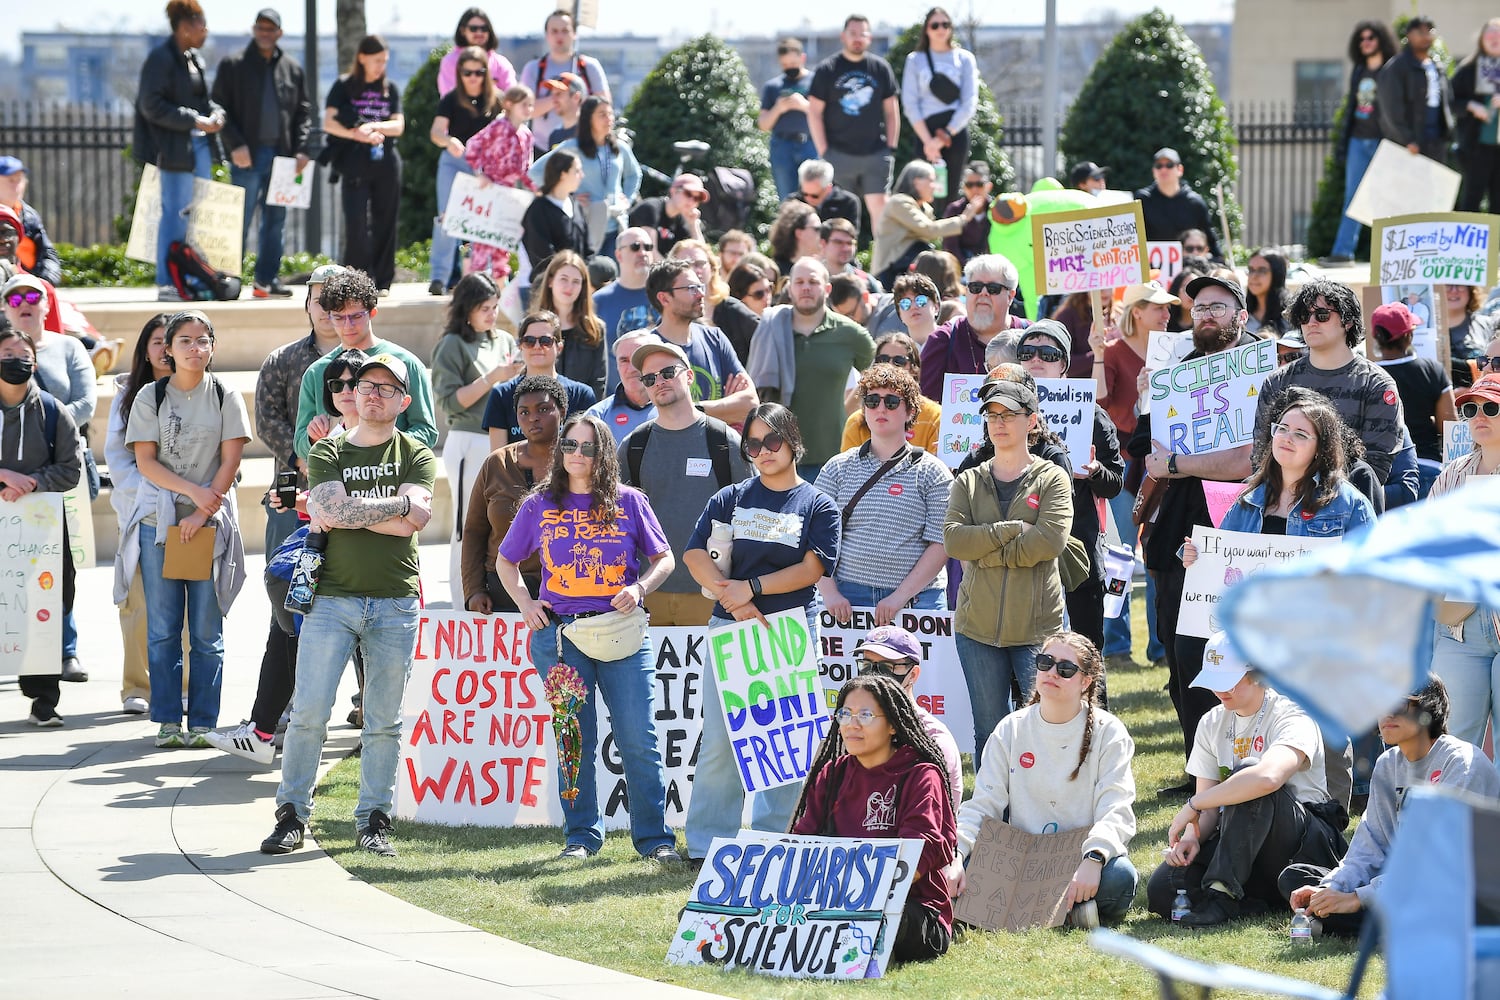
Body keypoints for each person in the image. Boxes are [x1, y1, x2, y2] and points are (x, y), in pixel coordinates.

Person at [260, 353, 436, 857]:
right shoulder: (328, 450)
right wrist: (397, 506)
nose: (372, 393)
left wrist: (351, 512)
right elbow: (335, 509)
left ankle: (374, 820)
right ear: (352, 396)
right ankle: (291, 814)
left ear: (404, 402)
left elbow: (413, 521)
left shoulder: (415, 454)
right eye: (364, 386)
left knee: (384, 720)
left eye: (385, 387)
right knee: (311, 712)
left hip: (395, 602)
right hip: (331, 600)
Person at [497, 412, 679, 863]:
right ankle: (580, 837)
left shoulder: (630, 501)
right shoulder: (539, 504)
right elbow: (506, 562)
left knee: (639, 738)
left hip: (623, 638)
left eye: (590, 448)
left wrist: (639, 588)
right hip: (560, 640)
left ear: (605, 455)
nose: (579, 455)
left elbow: (664, 558)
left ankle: (655, 841)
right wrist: (526, 603)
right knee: (572, 737)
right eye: (571, 446)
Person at [682, 403, 840, 861]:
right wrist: (732, 598)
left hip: (789, 629)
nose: (763, 451)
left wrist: (749, 589)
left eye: (773, 441)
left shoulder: (817, 503)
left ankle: (778, 840)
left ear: (793, 441)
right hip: (730, 630)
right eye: (753, 444)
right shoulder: (730, 497)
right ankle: (708, 845)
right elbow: (694, 555)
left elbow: (812, 568)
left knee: (788, 742)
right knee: (720, 739)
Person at [207, 348, 371, 764]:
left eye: (356, 383)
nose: (347, 391)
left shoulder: (375, 438)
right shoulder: (330, 439)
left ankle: (290, 733)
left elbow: (361, 504)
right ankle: (265, 730)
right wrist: (298, 501)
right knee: (285, 630)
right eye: (338, 384)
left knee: (342, 644)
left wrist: (312, 503)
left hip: (361, 563)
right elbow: (329, 503)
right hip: (325, 555)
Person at [1129, 275, 1260, 778]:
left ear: (1241, 316)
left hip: (1237, 531)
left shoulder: (1260, 371)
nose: (1206, 315)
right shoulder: (1179, 371)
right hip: (1174, 535)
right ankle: (1197, 768)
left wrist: (1183, 463)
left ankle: (1245, 764)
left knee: (1236, 653)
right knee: (1181, 656)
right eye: (1200, 307)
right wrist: (1147, 399)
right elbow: (1146, 446)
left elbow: (1251, 460)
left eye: (1219, 307)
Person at [1147, 632, 1347, 928]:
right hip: (1239, 840)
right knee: (1164, 889)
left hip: (1302, 843)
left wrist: (1194, 803)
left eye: (1227, 680)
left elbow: (1268, 777)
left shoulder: (1294, 716)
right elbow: (1211, 812)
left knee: (1250, 775)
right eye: (1213, 680)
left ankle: (1222, 895)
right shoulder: (1211, 722)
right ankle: (1258, 898)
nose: (1218, 690)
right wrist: (1192, 837)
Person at [942, 631, 1138, 927]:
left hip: (1077, 856)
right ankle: (1071, 911)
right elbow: (983, 804)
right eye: (1045, 662)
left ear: (1085, 681)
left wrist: (1095, 859)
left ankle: (1021, 905)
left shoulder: (1109, 731)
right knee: (956, 868)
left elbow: (1116, 808)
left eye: (1066, 669)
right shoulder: (1011, 728)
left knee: (1121, 876)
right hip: (1019, 860)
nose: (1052, 673)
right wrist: (956, 854)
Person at [1280, 676, 1500, 937]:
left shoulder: (1461, 763)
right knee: (1295, 876)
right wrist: (1332, 889)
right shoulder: (1387, 764)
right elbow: (1370, 845)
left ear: (1429, 709)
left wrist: (1357, 899)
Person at [123, 310, 250, 749]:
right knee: (161, 628)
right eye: (185, 341)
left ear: (212, 347)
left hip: (208, 527)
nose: (195, 348)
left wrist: (202, 510)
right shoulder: (150, 396)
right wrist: (192, 497)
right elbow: (145, 461)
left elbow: (230, 461)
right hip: (160, 524)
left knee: (205, 632)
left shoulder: (225, 394)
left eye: (203, 340)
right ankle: (167, 722)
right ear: (168, 350)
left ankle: (202, 723)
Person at [943, 366, 1072, 760]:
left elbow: (1049, 542)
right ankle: (992, 817)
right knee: (989, 732)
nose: (998, 423)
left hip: (1037, 629)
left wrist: (985, 551)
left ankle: (1039, 815)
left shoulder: (1052, 478)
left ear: (1031, 421)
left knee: (1044, 727)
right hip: (976, 629)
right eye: (992, 415)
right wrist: (1007, 532)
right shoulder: (968, 480)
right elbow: (953, 540)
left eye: (1009, 414)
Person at [791, 674, 957, 961]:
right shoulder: (833, 774)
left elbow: (919, 854)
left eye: (865, 715)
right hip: (834, 901)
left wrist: (861, 898)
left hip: (910, 908)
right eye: (845, 714)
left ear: (893, 724)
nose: (852, 724)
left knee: (886, 920)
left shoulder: (921, 774)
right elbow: (802, 841)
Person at [617, 339, 749, 626]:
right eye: (650, 378)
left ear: (689, 376)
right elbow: (616, 520)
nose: (659, 382)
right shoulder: (633, 445)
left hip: (713, 591)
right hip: (646, 591)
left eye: (668, 372)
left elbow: (749, 515)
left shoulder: (724, 441)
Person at [5, 274, 94, 683]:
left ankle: (65, 651)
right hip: (9, 491)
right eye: (14, 296)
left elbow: (85, 403)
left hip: (59, 474)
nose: (24, 302)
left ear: (46, 303)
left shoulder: (68, 347)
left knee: (59, 569)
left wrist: (47, 422)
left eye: (32, 295)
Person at [1016, 321, 1123, 653]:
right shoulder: (1003, 413)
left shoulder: (1091, 413)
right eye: (1027, 352)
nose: (1036, 359)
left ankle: (1092, 706)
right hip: (1020, 549)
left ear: (1063, 365)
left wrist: (1093, 471)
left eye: (1047, 353)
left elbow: (1115, 482)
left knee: (1084, 647)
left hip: (1079, 548)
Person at [816, 362, 952, 623]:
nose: (880, 408)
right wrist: (829, 593)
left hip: (916, 600)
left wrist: (899, 597)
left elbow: (941, 543)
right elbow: (815, 536)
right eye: (872, 400)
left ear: (910, 410)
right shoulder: (837, 467)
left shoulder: (933, 472)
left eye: (891, 401)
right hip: (846, 598)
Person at [0, 325, 82, 726]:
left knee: (45, 605)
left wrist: (33, 482)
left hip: (40, 532)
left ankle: (44, 698)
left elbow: (71, 470)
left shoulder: (53, 410)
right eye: (7, 352)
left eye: (23, 353)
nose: (16, 360)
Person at [1251, 279, 1404, 488]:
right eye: (1304, 316)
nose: (1311, 322)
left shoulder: (1376, 384)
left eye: (1322, 315)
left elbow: (1374, 467)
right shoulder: (1277, 382)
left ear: (1347, 321)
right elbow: (1261, 454)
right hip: (1283, 502)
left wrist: (1323, 499)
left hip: (1346, 507)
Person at [430, 273, 519, 606]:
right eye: (485, 308)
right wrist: (491, 379)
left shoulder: (504, 341)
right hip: (469, 439)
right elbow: (451, 402)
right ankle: (460, 601)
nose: (492, 314)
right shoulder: (452, 344)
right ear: (467, 309)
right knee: (466, 526)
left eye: (496, 307)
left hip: (505, 440)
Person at [210, 7, 311, 299]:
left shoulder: (292, 68)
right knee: (238, 220)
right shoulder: (234, 65)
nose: (265, 34)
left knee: (276, 222)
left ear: (279, 33)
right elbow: (219, 107)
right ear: (254, 30)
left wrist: (303, 148)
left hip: (283, 159)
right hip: (246, 156)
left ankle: (265, 282)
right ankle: (230, 281)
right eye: (260, 28)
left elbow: (303, 113)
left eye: (271, 29)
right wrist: (235, 145)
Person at [746, 257, 874, 478]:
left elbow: (878, 377)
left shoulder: (851, 334)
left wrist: (848, 409)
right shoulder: (770, 329)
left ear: (826, 288)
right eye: (799, 282)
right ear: (790, 288)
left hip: (832, 459)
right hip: (777, 455)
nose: (806, 288)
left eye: (813, 282)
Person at [293, 270, 437, 462]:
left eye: (356, 316)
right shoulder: (317, 371)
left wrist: (382, 446)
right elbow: (300, 442)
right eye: (339, 317)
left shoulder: (405, 363)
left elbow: (426, 431)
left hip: (392, 477)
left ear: (372, 312)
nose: (347, 325)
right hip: (337, 479)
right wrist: (312, 438)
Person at [107, 315, 176, 715]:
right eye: (157, 341)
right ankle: (137, 686)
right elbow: (118, 460)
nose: (165, 348)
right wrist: (159, 492)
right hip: (138, 514)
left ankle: (184, 685)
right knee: (137, 604)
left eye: (174, 340)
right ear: (144, 350)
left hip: (189, 515)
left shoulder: (208, 394)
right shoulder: (126, 397)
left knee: (187, 603)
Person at [1428, 372, 1500, 748]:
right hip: (1460, 625)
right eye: (1471, 407)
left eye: (1492, 407)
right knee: (1453, 746)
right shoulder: (1451, 475)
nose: (1478, 415)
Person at [134, 0, 223, 302]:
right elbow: (150, 104)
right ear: (185, 27)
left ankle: (187, 275)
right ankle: (166, 281)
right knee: (174, 213)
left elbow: (203, 100)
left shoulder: (194, 58)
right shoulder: (160, 59)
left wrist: (215, 113)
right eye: (202, 24)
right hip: (174, 148)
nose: (206, 30)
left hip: (198, 144)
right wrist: (193, 119)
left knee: (195, 216)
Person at [255, 263, 345, 558]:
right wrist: (301, 460)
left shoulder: (372, 361)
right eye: (320, 301)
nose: (328, 310)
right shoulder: (282, 359)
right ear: (307, 304)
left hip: (352, 489)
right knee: (285, 584)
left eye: (338, 301)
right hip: (292, 487)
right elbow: (268, 420)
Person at [461, 374, 564, 615]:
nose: (533, 418)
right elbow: (474, 530)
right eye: (524, 412)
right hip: (501, 591)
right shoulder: (496, 463)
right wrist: (473, 590)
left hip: (567, 592)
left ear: (562, 411)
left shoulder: (577, 462)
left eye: (543, 409)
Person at [323, 35, 404, 295]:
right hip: (354, 163)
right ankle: (357, 281)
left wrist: (373, 127)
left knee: (385, 221)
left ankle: (383, 281)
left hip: (385, 161)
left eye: (385, 61)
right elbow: (329, 122)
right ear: (362, 58)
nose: (381, 66)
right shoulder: (344, 86)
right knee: (355, 223)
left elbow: (398, 125)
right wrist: (356, 134)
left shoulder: (390, 88)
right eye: (377, 60)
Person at [852, 625, 962, 803]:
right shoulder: (852, 728)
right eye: (867, 665)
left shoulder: (933, 739)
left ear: (913, 674)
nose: (874, 675)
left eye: (887, 667)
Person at [642, 258, 758, 424]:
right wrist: (725, 408)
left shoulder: (715, 338)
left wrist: (694, 410)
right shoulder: (648, 349)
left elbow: (750, 404)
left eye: (700, 286)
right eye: (691, 288)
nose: (701, 294)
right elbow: (653, 416)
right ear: (664, 298)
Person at [809, 15, 900, 227]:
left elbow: (891, 111)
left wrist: (891, 148)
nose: (858, 38)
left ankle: (881, 260)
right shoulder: (827, 69)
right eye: (853, 34)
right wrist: (824, 150)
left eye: (863, 34)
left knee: (880, 210)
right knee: (839, 217)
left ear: (869, 38)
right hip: (838, 154)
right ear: (844, 36)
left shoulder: (880, 68)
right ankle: (842, 259)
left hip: (875, 153)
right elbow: (814, 112)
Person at [426, 45, 502, 295]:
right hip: (455, 162)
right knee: (446, 218)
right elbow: (436, 132)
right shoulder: (451, 98)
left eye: (478, 72)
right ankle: (439, 278)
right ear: (459, 73)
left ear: (486, 73)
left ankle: (487, 277)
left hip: (486, 167)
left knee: (486, 220)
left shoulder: (497, 100)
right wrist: (449, 141)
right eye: (467, 72)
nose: (473, 78)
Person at [1323, 20, 1398, 264]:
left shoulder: (1391, 69)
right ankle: (1343, 252)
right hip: (1358, 139)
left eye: (1371, 38)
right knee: (1353, 198)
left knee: (1386, 199)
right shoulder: (1359, 70)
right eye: (1362, 39)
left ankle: (1392, 255)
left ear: (1381, 41)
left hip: (1383, 141)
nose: (1366, 43)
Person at [531, 96, 640, 259]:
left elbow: (634, 174)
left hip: (616, 224)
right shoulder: (572, 147)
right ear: (588, 118)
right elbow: (536, 171)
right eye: (602, 114)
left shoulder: (620, 147)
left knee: (613, 275)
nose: (609, 119)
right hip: (587, 222)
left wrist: (628, 199)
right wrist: (567, 196)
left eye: (610, 114)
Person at [1370, 301, 1456, 498]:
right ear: (1409, 336)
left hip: (1383, 477)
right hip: (1429, 469)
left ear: (1376, 337)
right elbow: (1450, 427)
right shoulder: (1432, 370)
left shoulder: (1366, 375)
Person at [918, 254, 1030, 400]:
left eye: (993, 288)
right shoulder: (942, 341)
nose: (983, 293)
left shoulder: (1031, 338)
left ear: (1010, 296)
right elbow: (927, 407)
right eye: (975, 287)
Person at [483, 309, 596, 447]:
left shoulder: (581, 395)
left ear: (559, 347)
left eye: (545, 341)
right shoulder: (501, 395)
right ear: (520, 346)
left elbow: (587, 450)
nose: (537, 347)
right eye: (529, 341)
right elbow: (498, 459)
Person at [870, 160, 985, 290]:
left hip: (908, 270)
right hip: (889, 273)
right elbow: (928, 229)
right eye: (931, 180)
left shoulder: (925, 208)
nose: (934, 186)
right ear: (916, 181)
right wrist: (964, 218)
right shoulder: (899, 202)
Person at [463, 84, 538, 281]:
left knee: (501, 245)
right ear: (509, 104)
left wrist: (538, 189)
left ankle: (500, 288)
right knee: (482, 241)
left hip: (509, 192)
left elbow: (526, 169)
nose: (529, 109)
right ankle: (475, 286)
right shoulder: (498, 127)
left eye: (531, 105)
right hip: (489, 189)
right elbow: (472, 146)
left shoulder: (526, 134)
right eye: (524, 104)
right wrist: (480, 173)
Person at [902, 7, 980, 196]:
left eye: (945, 24)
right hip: (925, 131)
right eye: (935, 25)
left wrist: (944, 136)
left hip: (954, 131)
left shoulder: (965, 58)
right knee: (924, 192)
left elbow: (969, 102)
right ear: (926, 29)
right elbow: (910, 103)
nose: (940, 29)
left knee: (951, 192)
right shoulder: (915, 60)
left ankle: (949, 226)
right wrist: (929, 142)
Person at [518, 10, 611, 155]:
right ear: (547, 35)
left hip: (584, 146)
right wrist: (558, 98)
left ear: (574, 34)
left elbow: (604, 106)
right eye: (554, 31)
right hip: (542, 148)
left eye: (565, 31)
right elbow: (523, 110)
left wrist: (574, 100)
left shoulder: (589, 67)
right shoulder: (533, 68)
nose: (559, 36)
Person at [842, 331, 942, 454]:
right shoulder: (856, 422)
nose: (890, 366)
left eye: (899, 361)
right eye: (883, 360)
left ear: (914, 368)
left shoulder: (935, 416)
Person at [1379, 15, 1453, 163]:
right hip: (1410, 143)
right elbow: (1391, 108)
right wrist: (1407, 139)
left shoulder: (1437, 66)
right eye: (1420, 32)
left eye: (1429, 31)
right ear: (1409, 35)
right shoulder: (1397, 66)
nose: (1425, 36)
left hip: (1436, 140)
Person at [594, 226, 659, 384]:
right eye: (635, 247)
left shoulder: (666, 295)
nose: (642, 253)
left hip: (661, 391)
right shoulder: (598, 301)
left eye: (648, 247)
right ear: (618, 255)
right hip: (616, 396)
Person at [1134, 147, 1220, 258]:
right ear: (1154, 171)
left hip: (1188, 268)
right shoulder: (1142, 200)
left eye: (1169, 165)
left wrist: (1220, 260)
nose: (1163, 170)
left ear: (1180, 170)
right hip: (1152, 268)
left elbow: (1210, 238)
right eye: (1159, 166)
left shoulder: (1195, 203)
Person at [760, 37, 818, 200]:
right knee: (787, 200)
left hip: (810, 145)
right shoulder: (773, 87)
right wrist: (778, 108)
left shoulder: (816, 82)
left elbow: (826, 117)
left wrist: (804, 105)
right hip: (782, 147)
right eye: (785, 65)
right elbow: (763, 125)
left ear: (802, 58)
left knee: (813, 197)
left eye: (793, 64)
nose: (789, 68)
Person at [1453, 18, 1500, 213]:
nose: (1494, 38)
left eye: (1498, 34)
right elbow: (1450, 103)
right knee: (1471, 202)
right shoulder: (1466, 70)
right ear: (1482, 39)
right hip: (1476, 148)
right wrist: (1471, 106)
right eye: (1490, 33)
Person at [521, 149, 589, 284]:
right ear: (563, 174)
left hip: (575, 285)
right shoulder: (539, 209)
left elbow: (587, 249)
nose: (582, 175)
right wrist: (564, 277)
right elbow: (541, 255)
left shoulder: (576, 205)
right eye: (577, 171)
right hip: (545, 287)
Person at [585, 328, 657, 443]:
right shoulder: (598, 415)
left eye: (638, 359)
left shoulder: (674, 408)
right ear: (617, 366)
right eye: (624, 360)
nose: (632, 369)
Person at [0, 158, 60, 285]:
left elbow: (47, 253)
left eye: (20, 179)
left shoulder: (29, 215)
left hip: (27, 290)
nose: (17, 186)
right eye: (11, 180)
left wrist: (45, 281)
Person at [436, 9, 515, 97]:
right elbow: (449, 97)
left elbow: (512, 98)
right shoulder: (450, 61)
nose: (479, 32)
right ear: (463, 31)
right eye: (473, 29)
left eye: (484, 28)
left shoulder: (501, 63)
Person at [627, 173, 706, 259]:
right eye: (688, 194)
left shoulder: (682, 221)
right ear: (673, 191)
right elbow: (649, 252)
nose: (691, 202)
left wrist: (693, 225)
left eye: (697, 199)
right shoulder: (651, 208)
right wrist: (671, 271)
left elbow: (701, 255)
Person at [941, 161, 994, 266]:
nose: (974, 189)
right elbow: (950, 246)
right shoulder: (954, 209)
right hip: (962, 268)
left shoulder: (995, 209)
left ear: (989, 186)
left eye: (979, 184)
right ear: (964, 188)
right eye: (969, 185)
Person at [793, 158, 862, 230]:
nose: (808, 199)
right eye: (804, 194)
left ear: (828, 188)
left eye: (815, 196)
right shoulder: (793, 202)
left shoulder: (848, 202)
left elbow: (850, 236)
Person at [768, 200, 823, 279]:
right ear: (799, 233)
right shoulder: (774, 273)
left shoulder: (819, 269)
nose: (822, 234)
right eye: (817, 229)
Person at [1443, 282, 1497, 361]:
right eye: (1447, 285)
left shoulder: (1488, 325)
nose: (1454, 290)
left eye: (1460, 285)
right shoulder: (1422, 327)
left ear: (1470, 290)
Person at [1243, 247, 1290, 336]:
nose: (1253, 276)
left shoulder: (1290, 314)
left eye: (1262, 270)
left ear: (1277, 275)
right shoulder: (1241, 313)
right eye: (1251, 270)